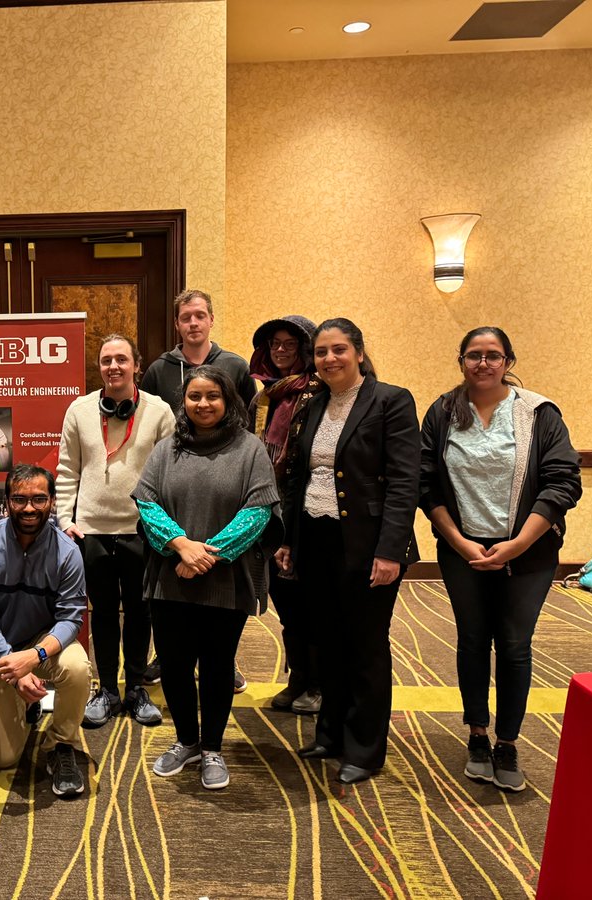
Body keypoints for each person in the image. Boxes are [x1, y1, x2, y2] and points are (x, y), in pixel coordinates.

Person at [420, 327, 581, 792]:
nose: (483, 363)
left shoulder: (539, 412)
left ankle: (507, 741)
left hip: (528, 552)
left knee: (513, 644)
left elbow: (562, 482)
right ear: (462, 361)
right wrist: (456, 540)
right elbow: (424, 481)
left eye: (493, 355)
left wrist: (518, 544)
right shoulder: (443, 411)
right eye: (474, 355)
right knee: (472, 640)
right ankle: (476, 734)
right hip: (461, 549)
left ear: (509, 360)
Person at [277, 318, 419, 786]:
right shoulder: (314, 405)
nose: (329, 359)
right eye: (320, 352)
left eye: (339, 349)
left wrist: (390, 550)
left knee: (365, 646)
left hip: (368, 543)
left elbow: (403, 481)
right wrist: (289, 541)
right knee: (326, 642)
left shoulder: (390, 401)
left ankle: (364, 748)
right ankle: (331, 733)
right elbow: (299, 478)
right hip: (317, 538)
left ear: (359, 351)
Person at [133, 366, 281, 791]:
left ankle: (213, 746)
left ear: (228, 400)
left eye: (212, 396)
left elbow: (258, 511)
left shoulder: (250, 449)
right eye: (194, 396)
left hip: (224, 578)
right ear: (184, 402)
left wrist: (205, 555)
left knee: (217, 667)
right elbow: (147, 503)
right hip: (171, 576)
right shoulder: (167, 449)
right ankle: (186, 742)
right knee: (176, 667)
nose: (202, 404)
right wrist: (181, 545)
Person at [55, 334, 175, 728]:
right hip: (91, 530)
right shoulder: (80, 409)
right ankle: (107, 688)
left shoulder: (158, 411)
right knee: (103, 612)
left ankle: (136, 687)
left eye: (121, 359)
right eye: (106, 360)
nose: (113, 367)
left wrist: (163, 525)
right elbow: (67, 469)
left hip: (141, 530)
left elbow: (170, 473)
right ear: (100, 367)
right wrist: (65, 520)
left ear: (136, 365)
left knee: (141, 612)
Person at [140, 289, 256, 691]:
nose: (193, 323)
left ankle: (224, 658)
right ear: (177, 324)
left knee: (221, 593)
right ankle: (169, 655)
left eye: (200, 315)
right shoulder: (158, 370)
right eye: (185, 317)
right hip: (175, 478)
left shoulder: (235, 366)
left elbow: (246, 425)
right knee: (170, 592)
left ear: (211, 320)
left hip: (226, 483)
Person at [0, 464, 91, 798]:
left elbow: (70, 619)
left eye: (38, 499)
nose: (29, 508)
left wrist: (34, 657)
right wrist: (13, 666)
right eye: (19, 499)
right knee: (3, 759)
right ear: (6, 501)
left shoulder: (68, 552)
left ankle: (62, 744)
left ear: (51, 502)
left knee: (77, 668)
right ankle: (25, 703)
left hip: (41, 643)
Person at [247, 315, 324, 717]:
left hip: (305, 510)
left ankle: (317, 682)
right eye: (274, 344)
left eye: (289, 345)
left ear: (305, 348)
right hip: (268, 510)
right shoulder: (266, 396)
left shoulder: (318, 393)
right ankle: (297, 678)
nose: (279, 351)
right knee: (286, 602)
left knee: (310, 603)